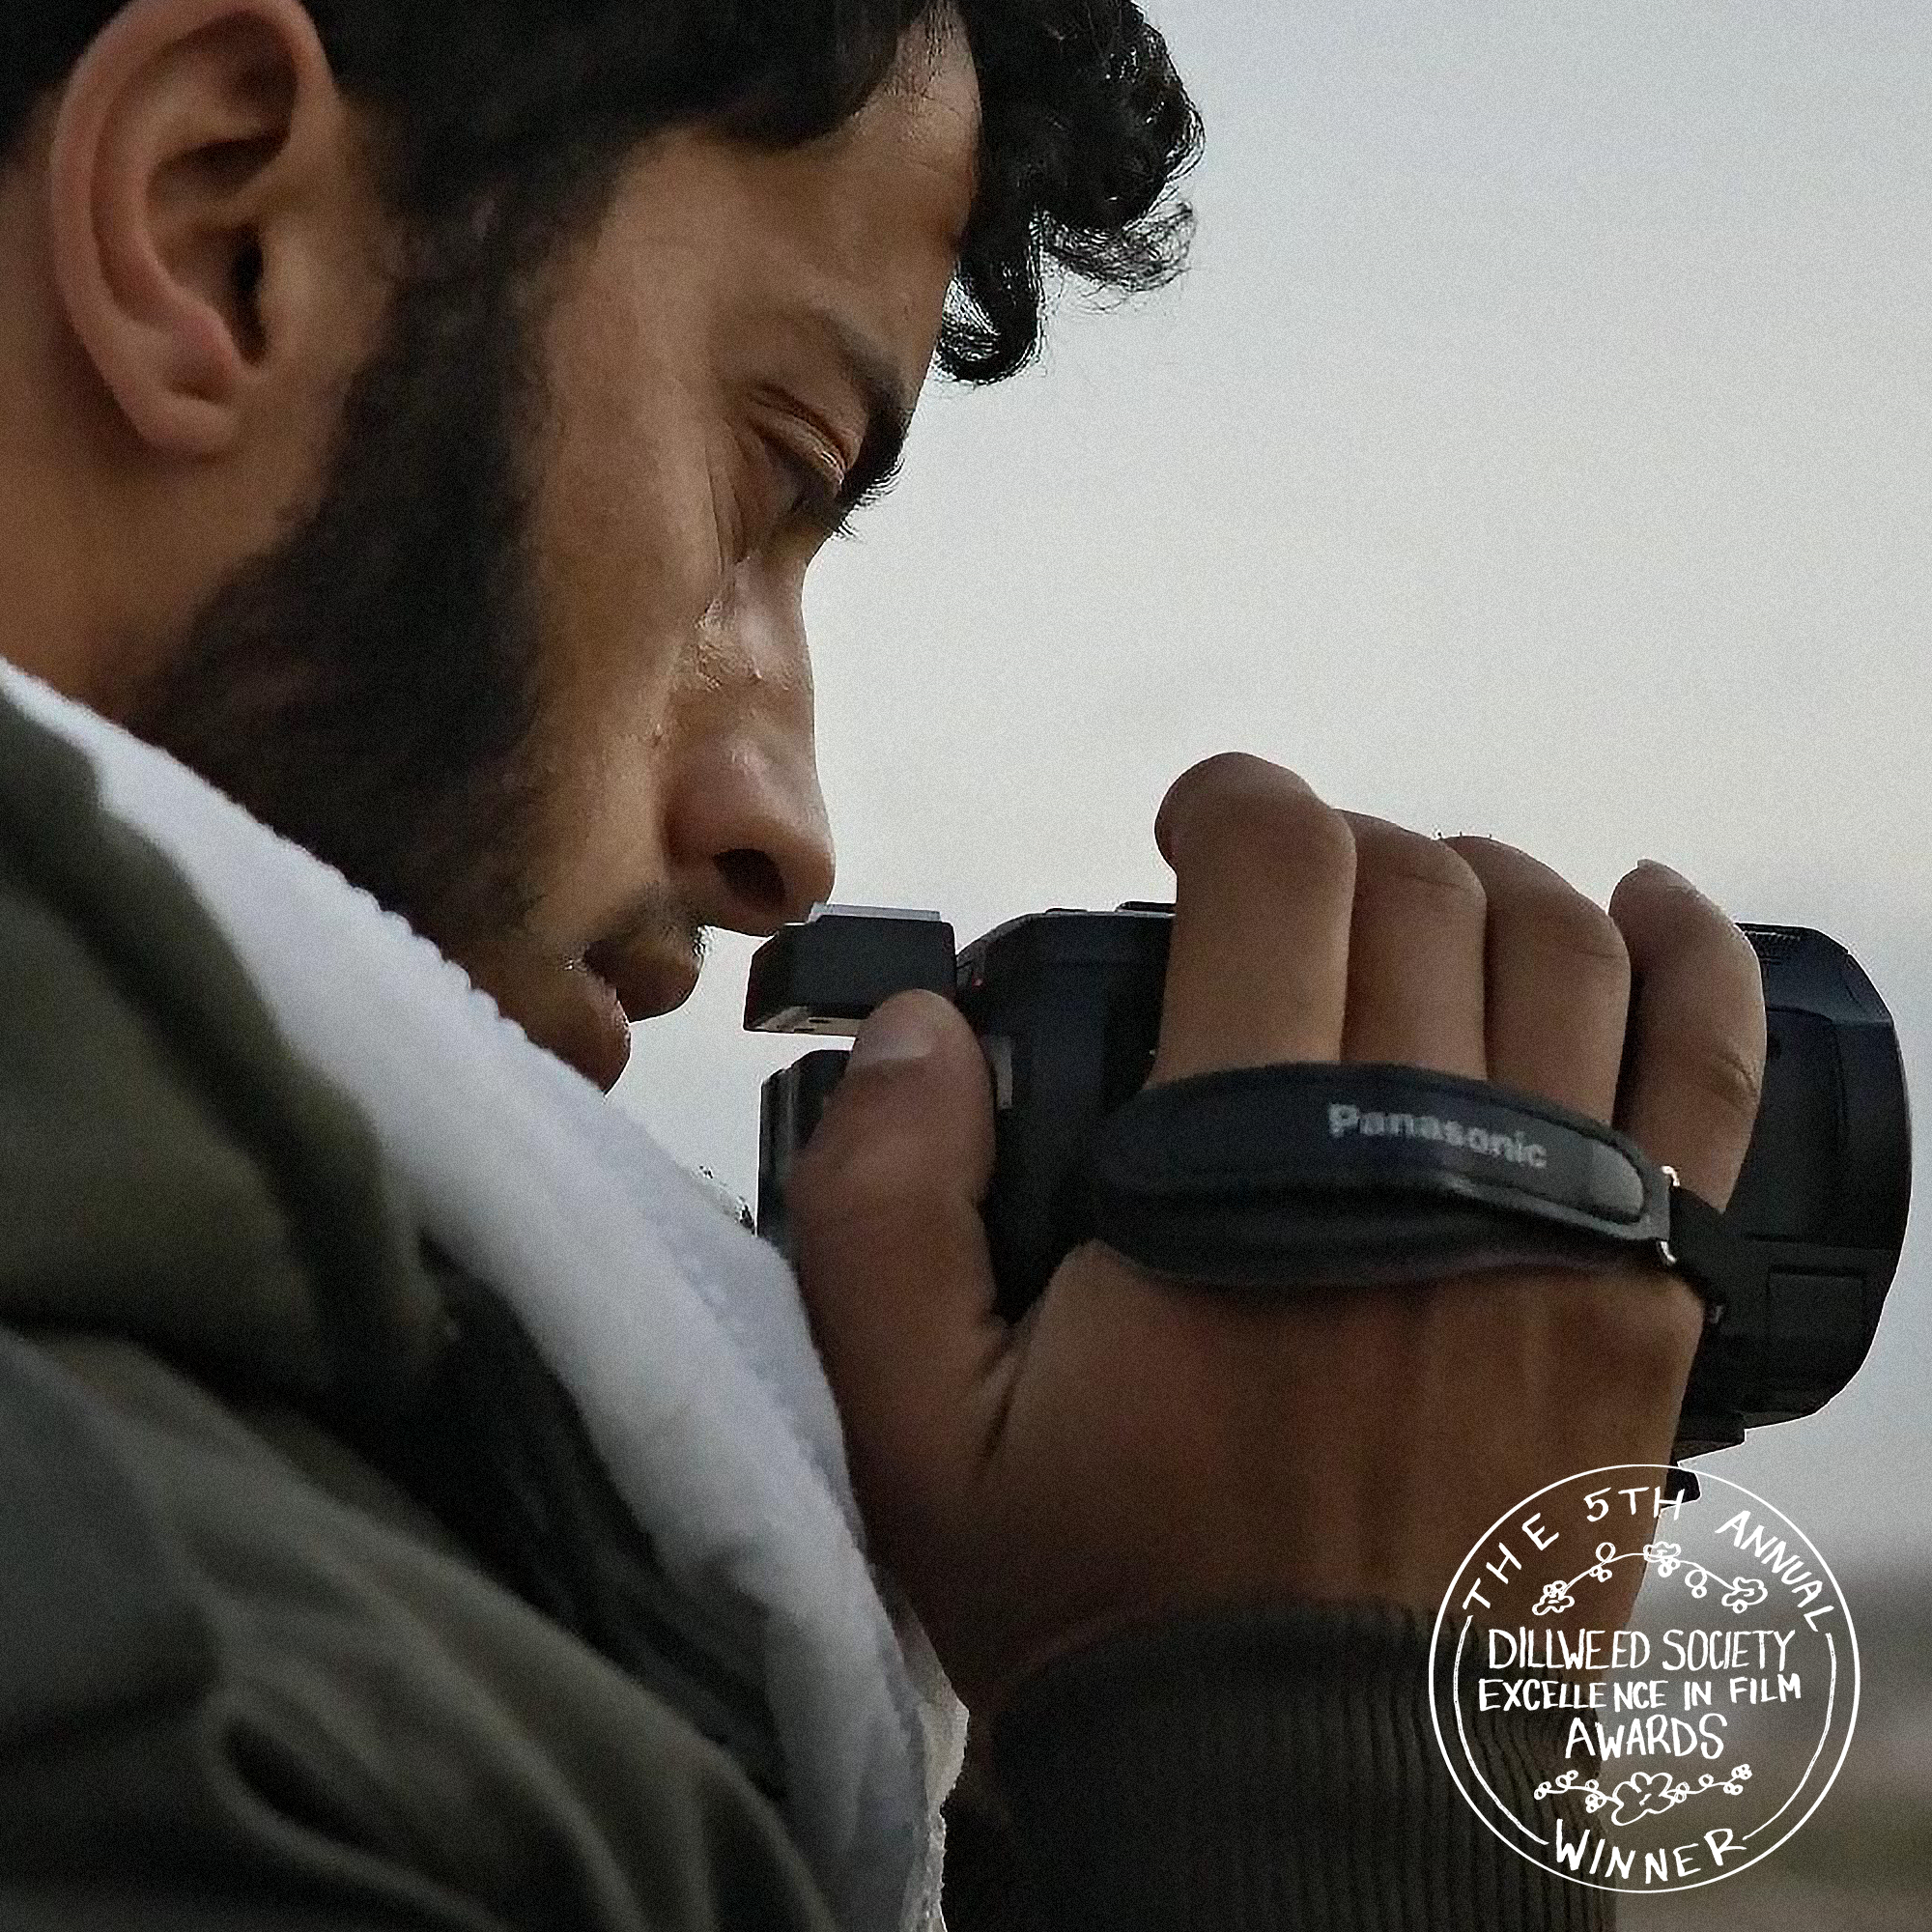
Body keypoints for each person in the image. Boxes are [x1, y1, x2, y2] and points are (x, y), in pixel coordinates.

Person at [0, 2, 1769, 1927]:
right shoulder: (170, 1688)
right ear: (213, 233)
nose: (786, 829)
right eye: (772, 481)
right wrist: (1326, 1754)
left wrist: (1079, 1724)